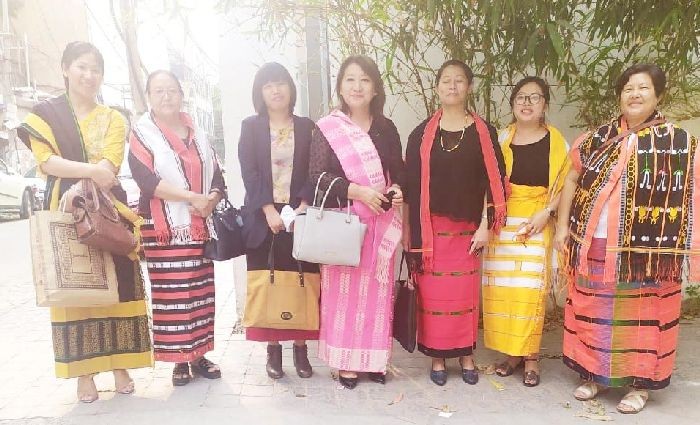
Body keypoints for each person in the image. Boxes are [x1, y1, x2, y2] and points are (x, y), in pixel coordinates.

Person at [554, 63, 700, 414]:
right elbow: (572, 180)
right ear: (620, 95)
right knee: (594, 310)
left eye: (643, 88)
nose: (634, 94)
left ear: (658, 95)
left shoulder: (680, 142)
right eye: (628, 88)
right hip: (595, 243)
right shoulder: (596, 138)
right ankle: (593, 374)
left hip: (649, 252)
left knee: (643, 317)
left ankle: (639, 385)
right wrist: (561, 229)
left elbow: (692, 194)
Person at [18, 41, 152, 402]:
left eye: (95, 69)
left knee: (120, 282)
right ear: (65, 69)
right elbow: (46, 162)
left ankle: (120, 363)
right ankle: (84, 373)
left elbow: (110, 168)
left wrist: (92, 174)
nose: (89, 75)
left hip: (108, 208)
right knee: (75, 281)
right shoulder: (45, 115)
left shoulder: (114, 118)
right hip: (65, 206)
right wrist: (90, 171)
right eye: (81, 66)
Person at [404, 59, 508, 386]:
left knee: (463, 298)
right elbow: (410, 187)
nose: (452, 86)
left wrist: (484, 225)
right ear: (437, 87)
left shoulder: (483, 132)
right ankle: (437, 357)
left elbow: (494, 182)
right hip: (432, 233)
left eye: (459, 80)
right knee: (434, 299)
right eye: (446, 80)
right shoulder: (421, 133)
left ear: (469, 87)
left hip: (468, 232)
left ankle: (466, 354)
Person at [310, 55, 404, 389]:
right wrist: (358, 191)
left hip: (380, 223)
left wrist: (396, 189)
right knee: (344, 295)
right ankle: (344, 362)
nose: (357, 86)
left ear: (376, 87)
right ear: (340, 86)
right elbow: (316, 178)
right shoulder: (327, 129)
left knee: (377, 294)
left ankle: (374, 360)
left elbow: (399, 170)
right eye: (350, 79)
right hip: (345, 225)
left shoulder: (386, 128)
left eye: (364, 80)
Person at [129, 70, 225, 386]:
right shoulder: (142, 134)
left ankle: (199, 355)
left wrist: (210, 199)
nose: (166, 96)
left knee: (200, 294)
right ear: (148, 97)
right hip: (164, 229)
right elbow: (148, 182)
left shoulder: (197, 133)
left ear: (181, 93)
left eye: (171, 89)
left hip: (199, 225)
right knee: (173, 297)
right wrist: (192, 197)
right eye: (159, 91)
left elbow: (217, 176)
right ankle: (179, 361)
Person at [481, 77, 569, 387]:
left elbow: (565, 184)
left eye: (534, 97)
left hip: (538, 220)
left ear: (545, 104)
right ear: (513, 103)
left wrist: (547, 213)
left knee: (530, 293)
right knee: (504, 293)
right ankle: (511, 354)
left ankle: (531, 357)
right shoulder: (502, 138)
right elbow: (488, 183)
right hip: (503, 224)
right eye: (521, 97)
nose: (527, 102)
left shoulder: (557, 142)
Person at [238, 62, 319, 379]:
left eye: (281, 83)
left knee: (301, 280)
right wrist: (269, 211)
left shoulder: (306, 126)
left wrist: (300, 208)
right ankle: (274, 351)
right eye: (268, 84)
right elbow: (250, 173)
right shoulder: (251, 126)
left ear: (291, 89)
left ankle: (301, 350)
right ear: (260, 92)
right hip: (263, 217)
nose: (276, 90)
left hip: (300, 215)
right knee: (269, 282)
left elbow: (315, 170)